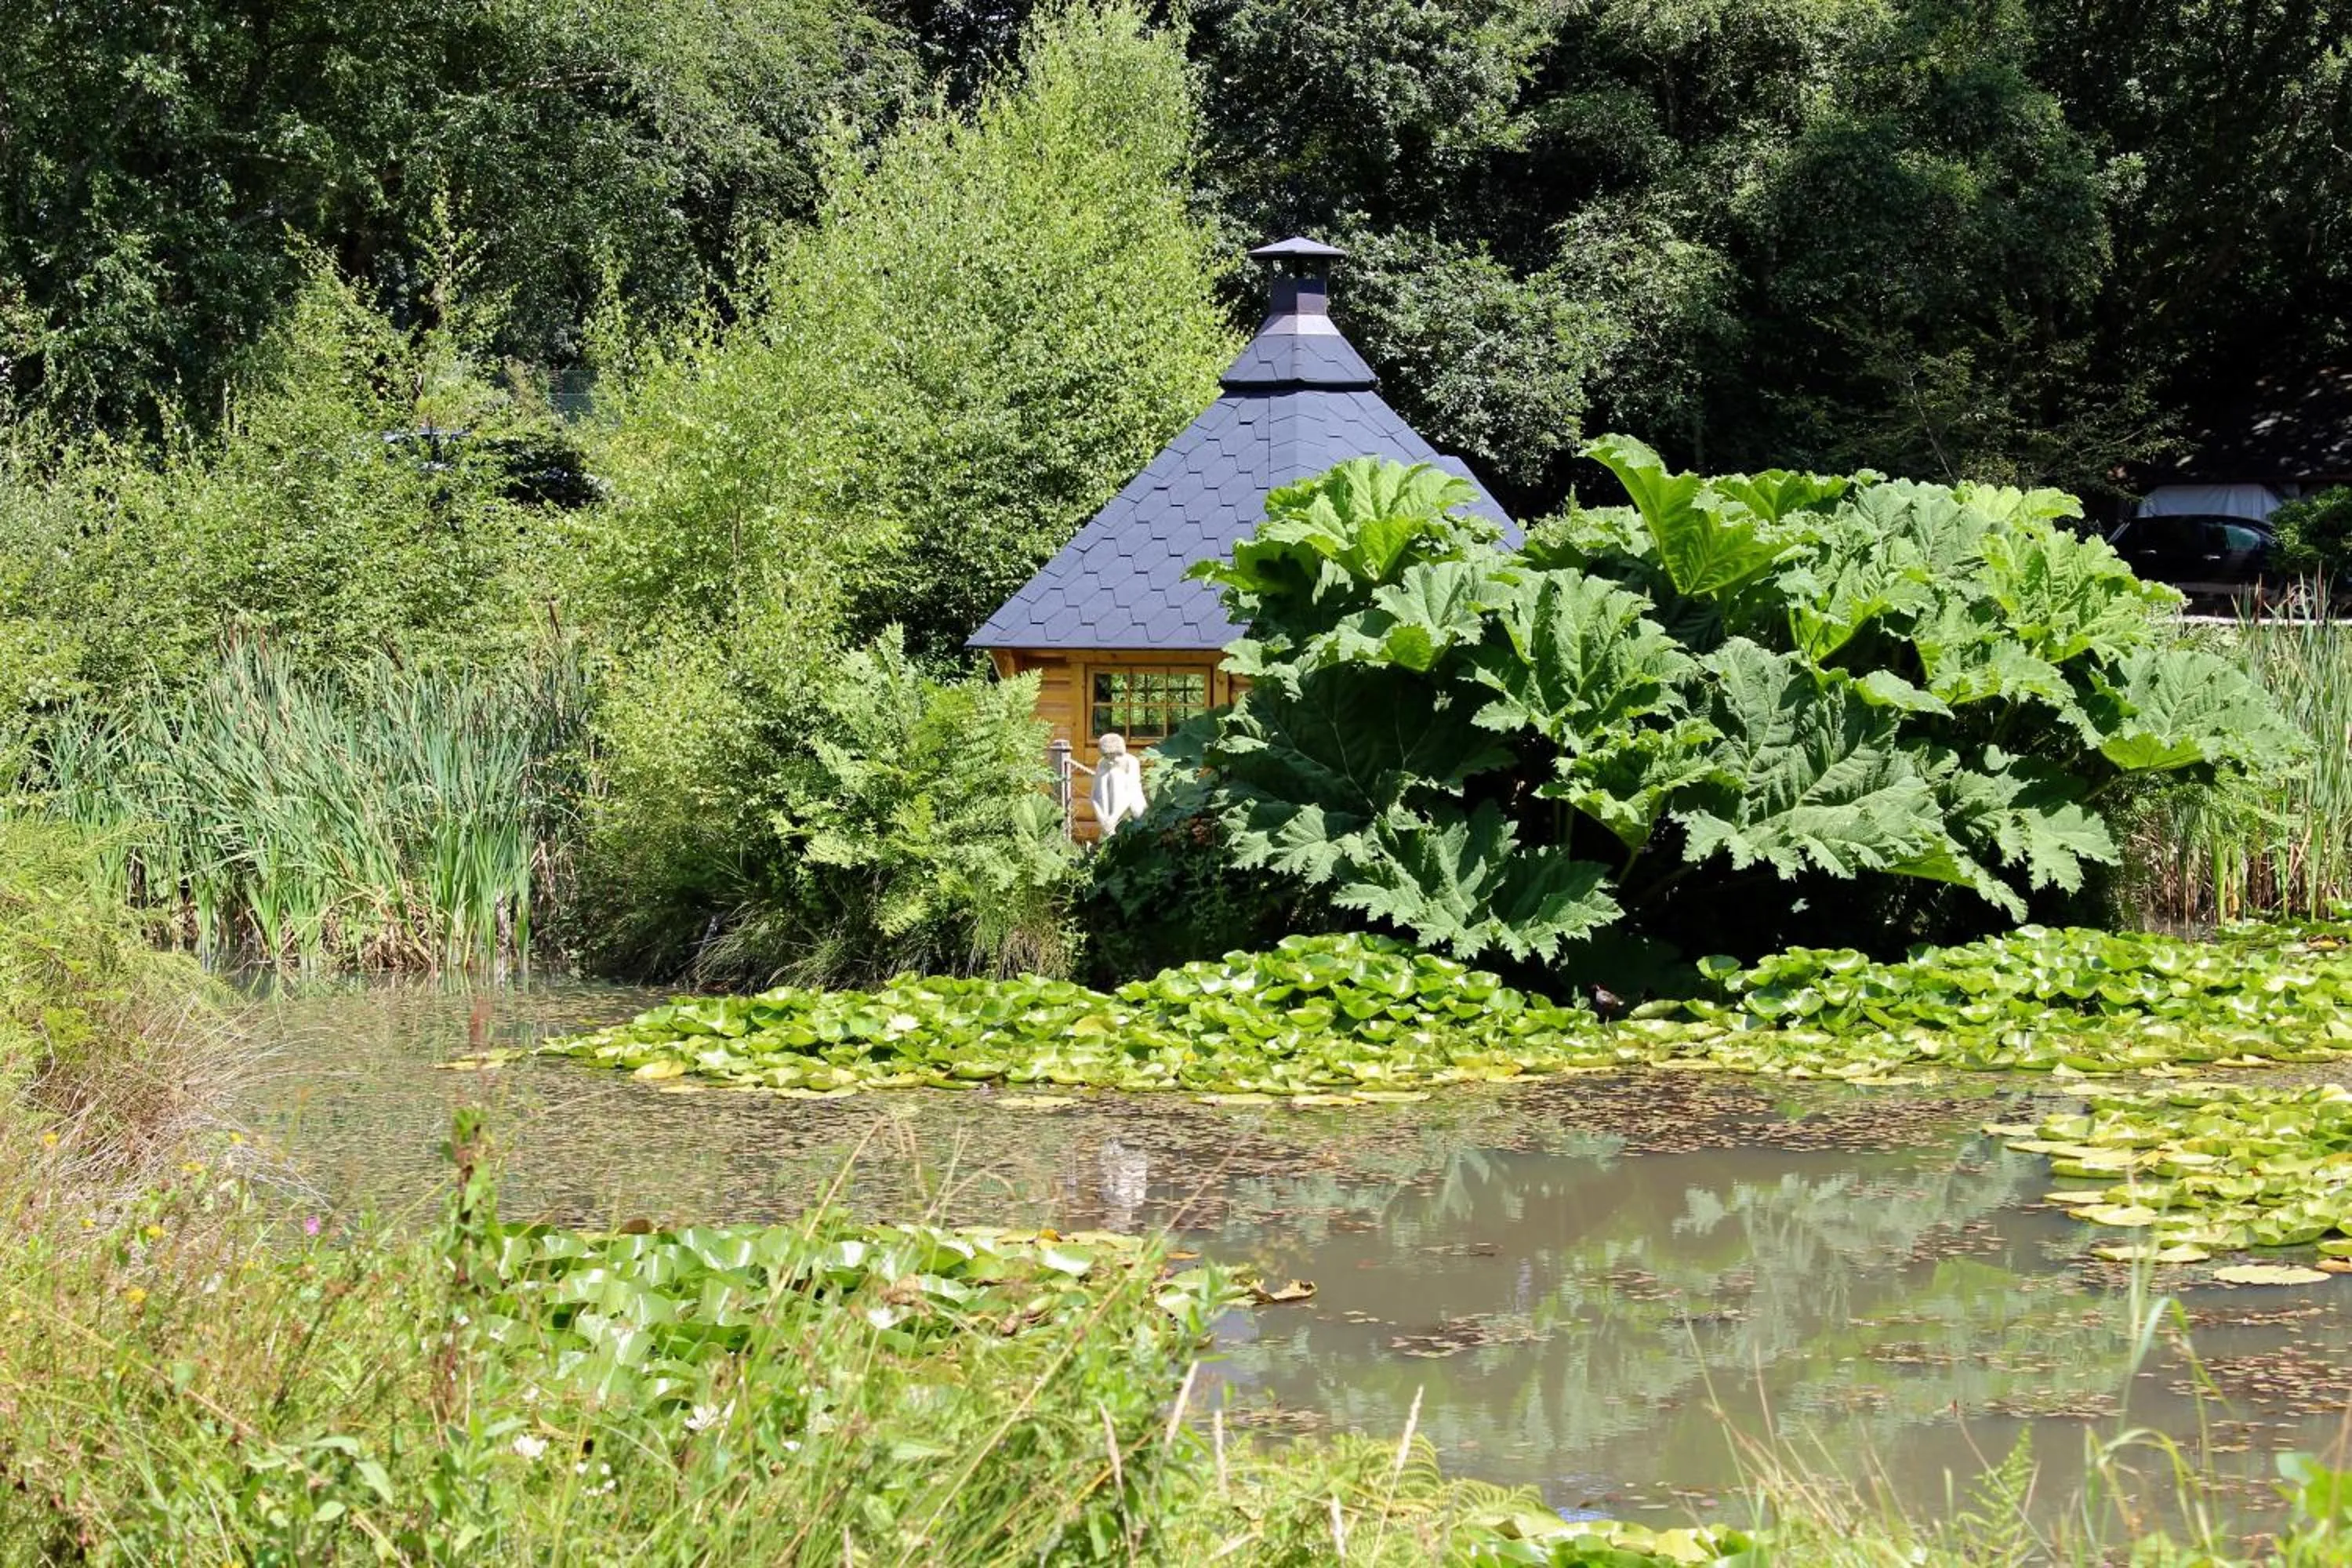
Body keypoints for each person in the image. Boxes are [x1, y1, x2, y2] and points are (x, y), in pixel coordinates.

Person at [1081, 731, 1147, 835]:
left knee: (1115, 774)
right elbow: (1095, 796)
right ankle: (1109, 831)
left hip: (1133, 807)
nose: (1110, 761)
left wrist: (1113, 819)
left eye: (1113, 757)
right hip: (1108, 810)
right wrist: (1103, 820)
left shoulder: (1131, 762)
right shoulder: (1102, 763)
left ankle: (1113, 826)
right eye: (1107, 757)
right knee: (1107, 775)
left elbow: (1132, 792)